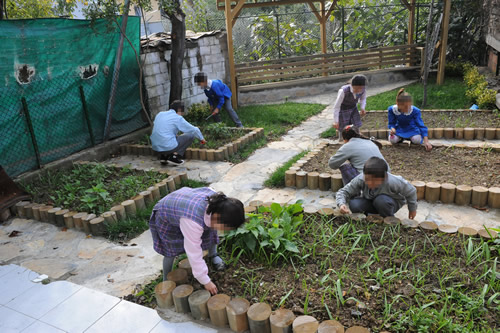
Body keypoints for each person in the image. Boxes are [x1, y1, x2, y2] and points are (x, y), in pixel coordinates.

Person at [149, 187, 245, 295]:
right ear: (218, 216)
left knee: (211, 232)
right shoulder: (193, 222)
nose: (223, 231)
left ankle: (213, 255)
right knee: (170, 249)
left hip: (185, 202)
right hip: (166, 213)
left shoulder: (220, 205)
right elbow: (193, 252)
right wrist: (205, 281)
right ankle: (166, 279)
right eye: (224, 228)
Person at [336, 157, 417, 219]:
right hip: (371, 201)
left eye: (374, 181)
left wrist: (412, 209)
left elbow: (411, 191)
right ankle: (369, 217)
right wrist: (341, 204)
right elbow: (344, 191)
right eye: (368, 179)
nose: (370, 183)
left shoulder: (394, 181)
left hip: (389, 204)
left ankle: (388, 218)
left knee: (381, 200)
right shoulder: (361, 178)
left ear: (384, 177)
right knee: (354, 204)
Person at [150, 100, 206, 166]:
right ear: (179, 109)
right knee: (191, 135)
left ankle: (164, 157)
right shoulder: (177, 118)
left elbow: (162, 129)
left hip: (155, 147)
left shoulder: (160, 114)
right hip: (167, 147)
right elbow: (194, 130)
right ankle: (174, 156)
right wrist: (202, 139)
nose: (182, 113)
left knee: (168, 137)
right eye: (182, 111)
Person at [332, 74, 367, 140]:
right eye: (356, 89)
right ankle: (342, 142)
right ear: (352, 85)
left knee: (356, 127)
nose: (359, 91)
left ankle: (357, 141)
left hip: (353, 109)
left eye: (360, 88)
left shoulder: (363, 90)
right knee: (343, 129)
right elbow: (336, 107)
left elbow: (363, 99)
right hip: (343, 111)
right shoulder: (343, 91)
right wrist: (336, 121)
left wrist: (362, 108)